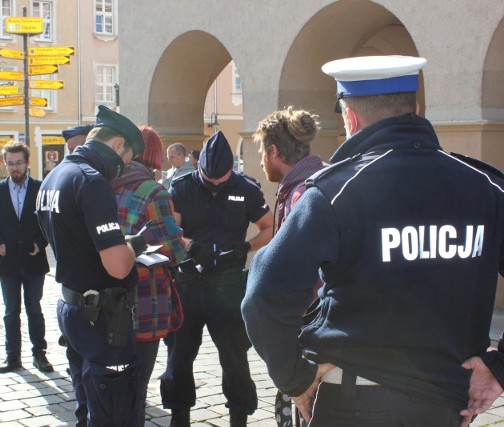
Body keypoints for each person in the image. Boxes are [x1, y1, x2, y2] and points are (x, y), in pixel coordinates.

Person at [241, 55, 504, 427]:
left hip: (354, 401)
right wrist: (497, 367)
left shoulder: (334, 191)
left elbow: (262, 297)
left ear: (351, 119)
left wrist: (294, 379)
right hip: (446, 403)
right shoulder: (484, 186)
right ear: (416, 110)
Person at [36, 105, 147, 426]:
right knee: (113, 410)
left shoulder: (54, 177)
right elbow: (117, 267)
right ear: (117, 146)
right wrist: (135, 244)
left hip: (73, 308)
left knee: (86, 405)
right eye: (127, 158)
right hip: (103, 320)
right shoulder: (91, 181)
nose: (125, 167)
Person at [160, 130, 274, 427]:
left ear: (229, 172)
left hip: (229, 284)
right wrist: (190, 246)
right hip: (189, 283)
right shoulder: (182, 187)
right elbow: (172, 229)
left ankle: (239, 416)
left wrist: (246, 247)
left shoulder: (246, 188)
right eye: (209, 181)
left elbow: (269, 227)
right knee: (179, 355)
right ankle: (179, 414)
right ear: (199, 168)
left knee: (234, 356)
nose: (215, 186)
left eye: (220, 182)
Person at [252, 106, 326, 426]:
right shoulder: (319, 178)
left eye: (261, 152)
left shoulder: (302, 194)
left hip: (315, 340)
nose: (261, 161)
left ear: (273, 150)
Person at [110, 125, 187, 426]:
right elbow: (174, 251)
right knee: (135, 387)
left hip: (105, 299)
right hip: (144, 301)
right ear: (155, 155)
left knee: (109, 386)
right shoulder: (153, 192)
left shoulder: (105, 183)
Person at [0, 141, 53, 374]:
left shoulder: (41, 189)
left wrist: (40, 244)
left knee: (34, 309)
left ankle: (39, 354)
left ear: (28, 163)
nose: (14, 168)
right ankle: (12, 357)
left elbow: (49, 221)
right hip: (7, 261)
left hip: (33, 261)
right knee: (11, 311)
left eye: (19, 163)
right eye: (10, 164)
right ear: (4, 164)